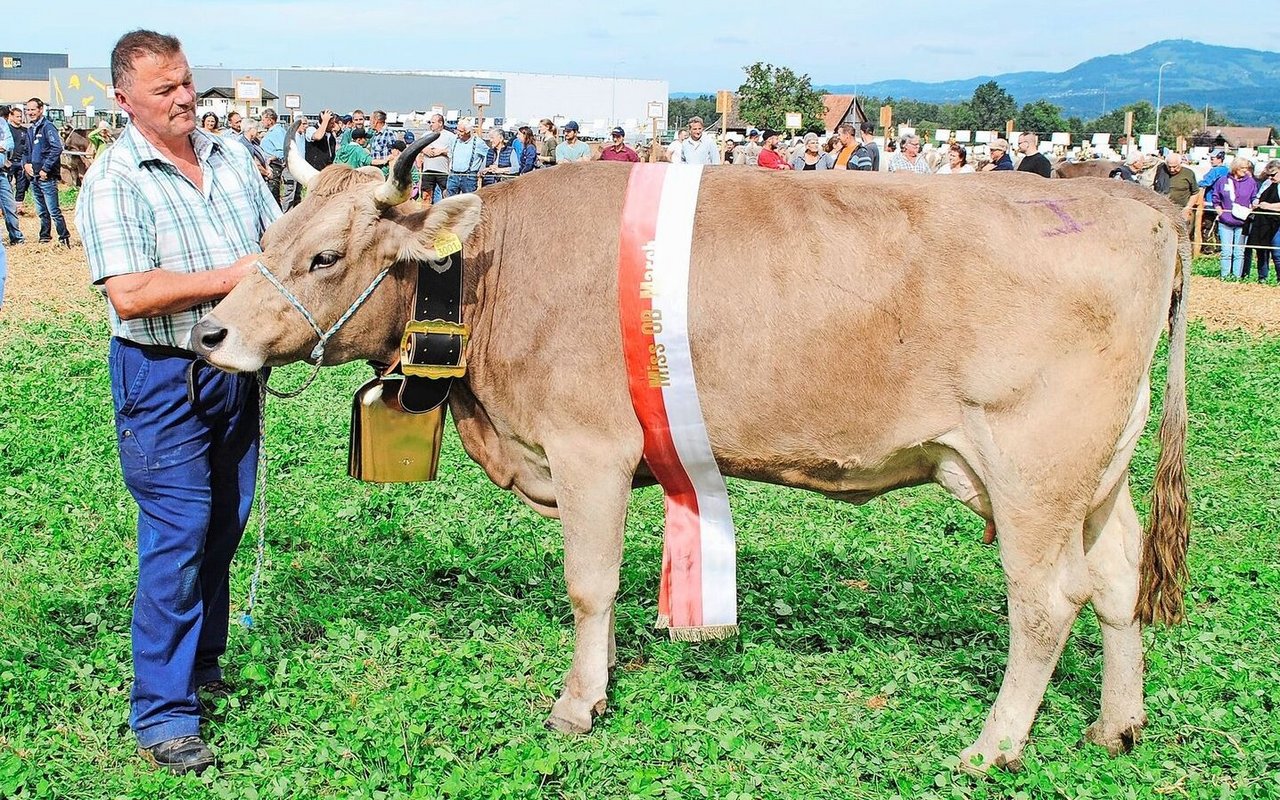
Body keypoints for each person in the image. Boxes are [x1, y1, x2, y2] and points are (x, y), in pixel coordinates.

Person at [75, 29, 280, 776]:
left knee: (223, 524)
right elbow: (129, 295)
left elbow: (277, 242)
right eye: (165, 90)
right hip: (161, 378)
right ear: (124, 101)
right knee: (179, 537)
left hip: (232, 372)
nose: (186, 98)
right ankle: (162, 715)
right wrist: (233, 276)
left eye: (188, 82)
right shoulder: (113, 178)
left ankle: (200, 667)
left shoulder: (232, 157)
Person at [23, 98, 71, 245]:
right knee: (41, 211)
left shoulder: (47, 127)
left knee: (53, 210)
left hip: (46, 176)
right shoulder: (30, 129)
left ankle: (64, 238)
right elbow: (26, 151)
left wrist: (46, 168)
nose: (30, 112)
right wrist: (26, 164)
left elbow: (57, 148)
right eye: (28, 110)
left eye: (33, 109)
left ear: (41, 109)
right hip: (34, 176)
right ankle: (44, 237)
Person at [1212, 156, 1258, 280]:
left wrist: (1254, 204)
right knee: (1226, 251)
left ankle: (1237, 276)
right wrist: (1220, 211)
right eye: (1242, 168)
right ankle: (1225, 276)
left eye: (1246, 168)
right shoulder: (1222, 181)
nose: (1245, 170)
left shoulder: (1251, 182)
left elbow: (1254, 197)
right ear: (1235, 168)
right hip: (1225, 220)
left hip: (1242, 221)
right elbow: (1215, 197)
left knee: (1239, 252)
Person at [1249, 159, 1280, 284]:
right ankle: (1262, 278)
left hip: (1277, 224)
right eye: (1269, 175)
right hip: (1263, 223)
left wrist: (1268, 206)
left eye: (1274, 174)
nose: (1271, 177)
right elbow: (1258, 198)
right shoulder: (1267, 184)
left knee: (1277, 253)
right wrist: (1256, 203)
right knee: (1261, 251)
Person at [0, 105, 24, 245]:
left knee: (10, 206)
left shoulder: (2, 124)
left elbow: (9, 144)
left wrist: (3, 146)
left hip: (1, 172)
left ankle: (16, 237)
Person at [418, 113, 455, 203]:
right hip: (428, 170)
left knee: (446, 194)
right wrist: (424, 149)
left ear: (440, 123)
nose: (431, 124)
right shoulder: (426, 135)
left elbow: (454, 151)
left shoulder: (450, 136)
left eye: (433, 122)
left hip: (443, 171)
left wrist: (441, 151)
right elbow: (418, 147)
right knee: (426, 195)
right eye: (431, 122)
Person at [445, 120, 486, 195]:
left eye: (461, 131)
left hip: (469, 177)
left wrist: (482, 169)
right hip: (453, 175)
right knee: (449, 200)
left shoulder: (478, 143)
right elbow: (450, 154)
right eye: (457, 130)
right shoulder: (454, 140)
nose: (458, 133)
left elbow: (487, 155)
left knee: (468, 201)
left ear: (467, 132)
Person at [257, 108, 285, 206]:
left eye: (263, 119)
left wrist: (271, 158)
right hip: (268, 165)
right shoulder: (271, 132)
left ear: (270, 120)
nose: (262, 122)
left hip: (274, 166)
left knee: (272, 194)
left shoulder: (277, 132)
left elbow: (283, 150)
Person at [1159, 153, 1198, 218]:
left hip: (1182, 210)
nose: (1172, 170)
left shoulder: (1188, 173)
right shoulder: (1161, 171)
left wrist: (1188, 207)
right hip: (1164, 211)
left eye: (1174, 167)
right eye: (1169, 167)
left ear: (1180, 163)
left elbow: (1195, 192)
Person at [7, 106, 28, 208]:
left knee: (21, 185)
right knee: (7, 184)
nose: (19, 119)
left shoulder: (25, 131)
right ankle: (6, 205)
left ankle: (19, 205)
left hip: (21, 161)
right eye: (17, 116)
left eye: (21, 116)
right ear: (11, 116)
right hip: (9, 161)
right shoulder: (6, 130)